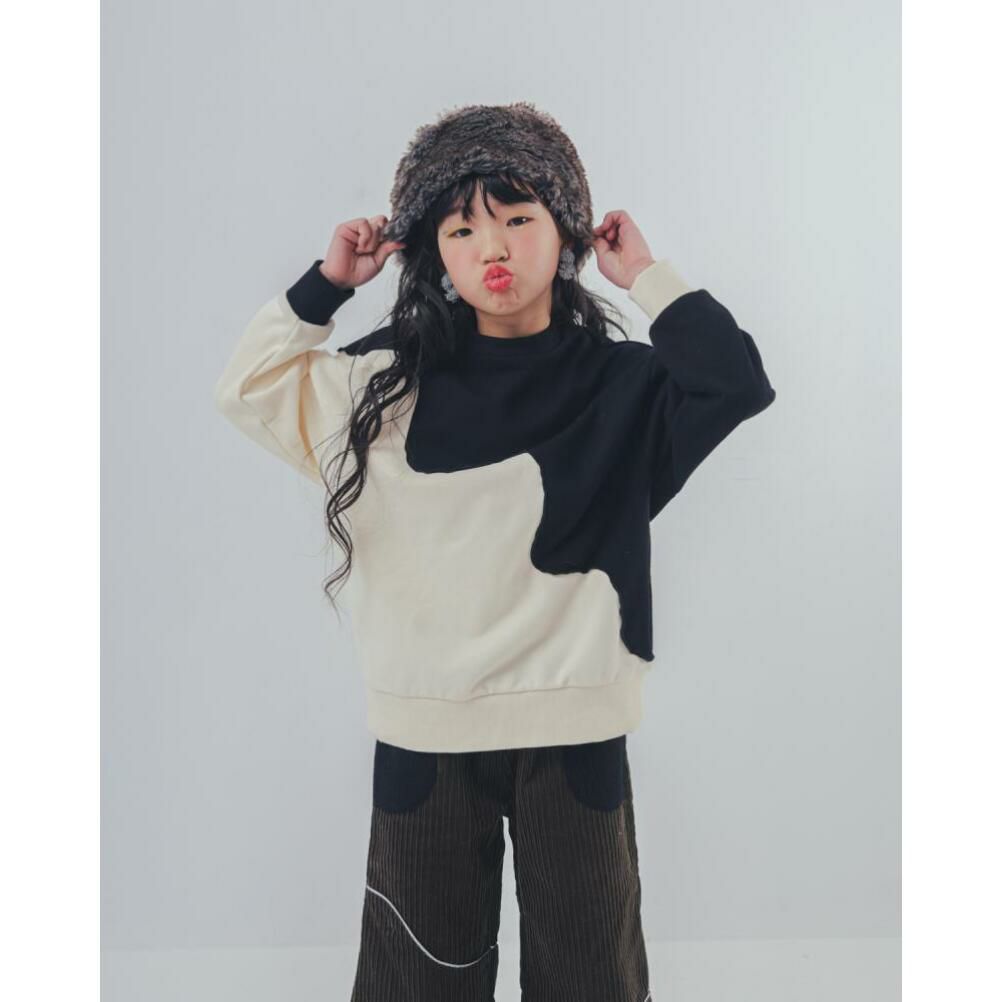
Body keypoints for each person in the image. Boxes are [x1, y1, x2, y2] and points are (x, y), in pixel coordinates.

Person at [213, 101, 776, 1002]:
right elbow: (247, 390)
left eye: (518, 217)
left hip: (574, 720)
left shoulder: (623, 385)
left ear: (566, 234)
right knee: (418, 982)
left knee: (590, 978)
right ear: (436, 252)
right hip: (426, 726)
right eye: (462, 228)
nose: (493, 247)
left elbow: (735, 382)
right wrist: (328, 284)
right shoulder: (382, 384)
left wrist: (646, 276)